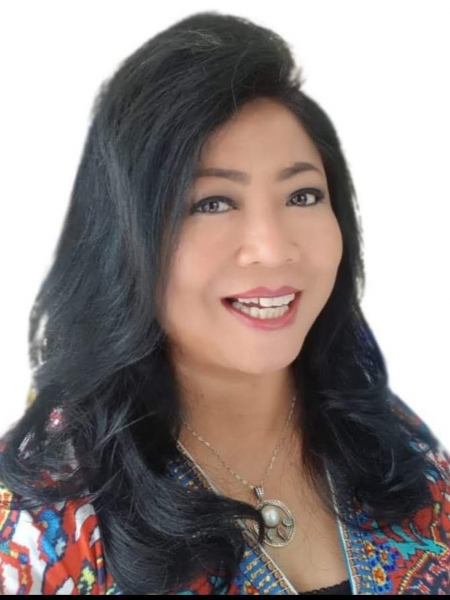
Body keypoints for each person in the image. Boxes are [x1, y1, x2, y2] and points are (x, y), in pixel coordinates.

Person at [1, 11, 449, 596]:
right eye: (212, 203)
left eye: (302, 195)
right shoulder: (40, 516)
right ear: (122, 238)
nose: (272, 248)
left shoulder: (392, 440)